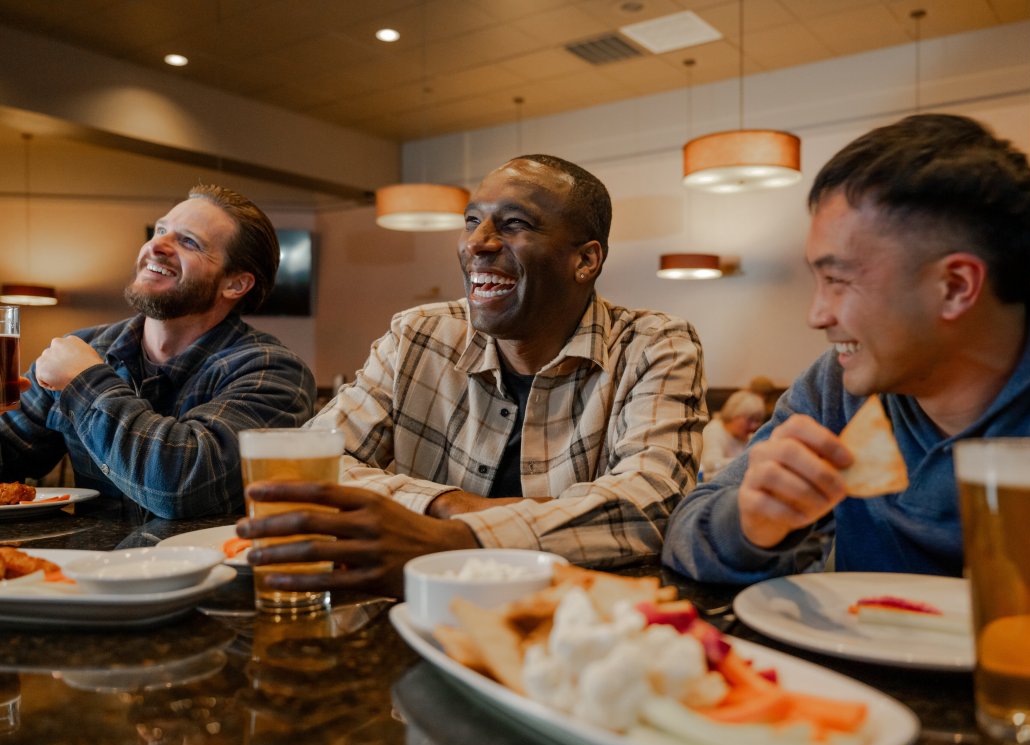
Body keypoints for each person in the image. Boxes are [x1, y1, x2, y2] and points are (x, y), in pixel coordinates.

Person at [238, 154, 706, 594]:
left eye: (514, 224)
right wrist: (448, 505)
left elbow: (652, 503)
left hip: (575, 626)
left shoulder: (654, 345)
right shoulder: (419, 334)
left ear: (585, 260)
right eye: (470, 221)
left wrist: (451, 540)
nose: (476, 243)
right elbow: (316, 463)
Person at [663, 113, 1030, 584]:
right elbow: (687, 531)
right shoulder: (837, 387)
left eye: (838, 280)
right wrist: (751, 523)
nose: (817, 315)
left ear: (954, 286)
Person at [0, 185, 316, 519]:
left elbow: (182, 488)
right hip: (83, 567)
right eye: (161, 230)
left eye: (188, 242)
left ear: (235, 284)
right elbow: (9, 454)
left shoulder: (274, 372)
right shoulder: (86, 348)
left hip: (210, 569)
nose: (156, 245)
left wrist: (88, 382)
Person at [699, 390, 765, 481]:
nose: (754, 426)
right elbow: (710, 463)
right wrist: (747, 461)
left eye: (758, 421)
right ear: (735, 415)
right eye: (750, 420)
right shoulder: (714, 430)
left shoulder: (748, 436)